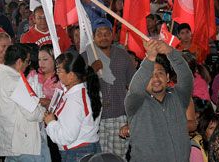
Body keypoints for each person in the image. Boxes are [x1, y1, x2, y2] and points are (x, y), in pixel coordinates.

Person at [125, 39, 193, 162]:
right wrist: (150, 59)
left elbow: (186, 77)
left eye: (160, 73)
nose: (155, 78)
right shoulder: (135, 102)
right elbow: (135, 88)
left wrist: (170, 52)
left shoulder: (179, 97)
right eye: (150, 74)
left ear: (167, 77)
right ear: (144, 78)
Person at [81, 18, 135, 158]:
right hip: (97, 118)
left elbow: (133, 86)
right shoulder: (86, 56)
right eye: (99, 33)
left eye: (107, 33)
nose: (103, 37)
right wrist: (91, 70)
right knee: (101, 158)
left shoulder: (123, 56)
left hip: (120, 116)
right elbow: (75, 84)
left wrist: (132, 117)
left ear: (112, 36)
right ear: (93, 36)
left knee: (119, 158)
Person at [0, 44, 50, 161]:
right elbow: (33, 113)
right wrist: (44, 111)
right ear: (20, 62)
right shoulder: (14, 81)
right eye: (27, 61)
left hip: (7, 142)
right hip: (25, 144)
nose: (28, 65)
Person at [44, 53, 102, 160]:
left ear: (71, 75)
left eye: (59, 71)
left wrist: (51, 122)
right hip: (86, 148)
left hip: (76, 153)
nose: (57, 74)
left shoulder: (75, 99)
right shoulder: (87, 90)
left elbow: (67, 137)